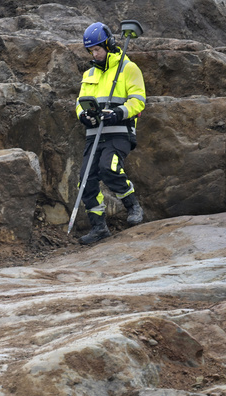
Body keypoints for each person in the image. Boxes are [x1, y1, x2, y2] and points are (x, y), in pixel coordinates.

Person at [74, 21, 146, 245]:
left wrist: (119, 112)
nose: (94, 54)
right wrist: (82, 115)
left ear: (108, 44)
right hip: (94, 135)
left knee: (109, 167)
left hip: (119, 133)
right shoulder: (89, 74)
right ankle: (99, 227)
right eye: (91, 51)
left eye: (97, 49)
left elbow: (139, 100)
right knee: (86, 180)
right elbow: (80, 102)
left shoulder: (128, 68)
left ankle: (133, 206)